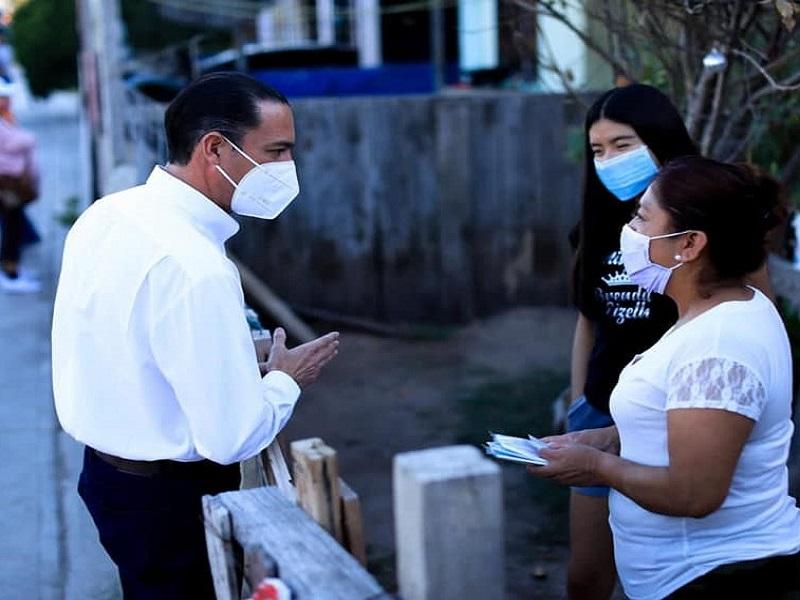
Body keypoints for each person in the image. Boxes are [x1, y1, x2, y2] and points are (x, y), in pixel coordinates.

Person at [51, 72, 340, 599]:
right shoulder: (194, 265)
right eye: (275, 151)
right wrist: (285, 379)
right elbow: (231, 438)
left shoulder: (108, 214)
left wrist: (231, 354)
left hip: (109, 475)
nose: (286, 169)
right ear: (215, 149)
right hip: (169, 502)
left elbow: (129, 340)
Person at [531, 156, 800, 599]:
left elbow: (695, 493)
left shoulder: (719, 345)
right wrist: (607, 439)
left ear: (689, 244)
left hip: (718, 579)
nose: (629, 231)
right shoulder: (717, 312)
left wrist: (597, 467)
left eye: (641, 217)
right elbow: (686, 422)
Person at [564, 84, 699, 599]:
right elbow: (588, 322)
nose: (609, 161)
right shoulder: (594, 226)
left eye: (622, 145)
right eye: (597, 150)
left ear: (660, 139)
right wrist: (579, 404)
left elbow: (754, 308)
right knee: (586, 578)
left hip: (678, 417)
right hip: (600, 412)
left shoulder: (708, 223)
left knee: (667, 576)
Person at [0, 78, 40, 293]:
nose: (7, 101)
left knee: (14, 226)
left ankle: (13, 269)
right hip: (5, 182)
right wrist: (28, 138)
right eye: (3, 97)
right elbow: (16, 142)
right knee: (11, 226)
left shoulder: (6, 117)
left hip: (12, 181)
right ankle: (9, 273)